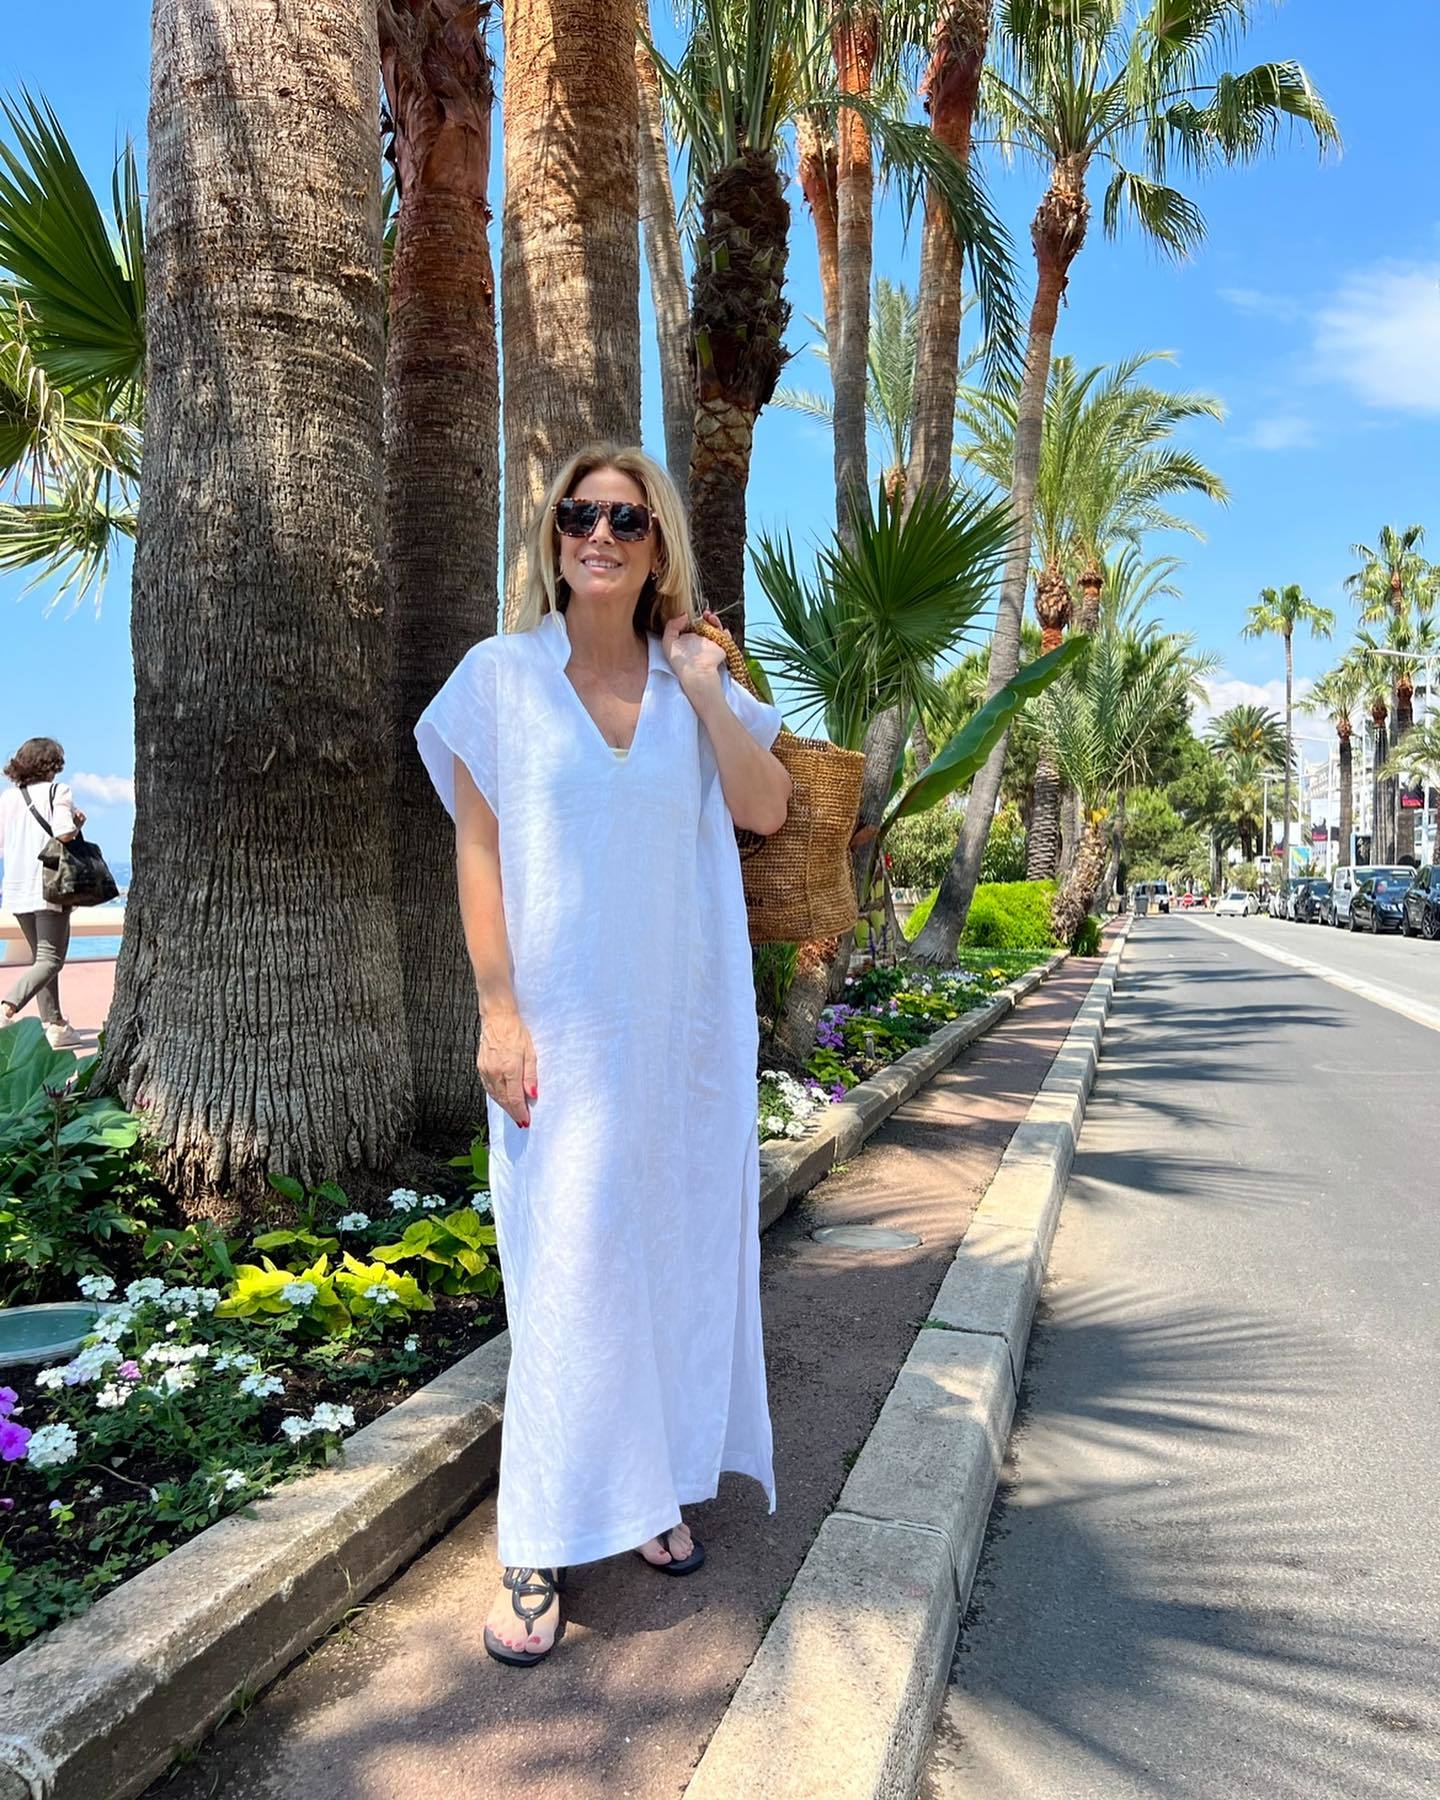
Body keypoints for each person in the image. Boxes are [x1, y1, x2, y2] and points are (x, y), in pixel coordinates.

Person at [414, 443, 792, 1667]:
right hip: (559, 1037)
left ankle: (650, 1491)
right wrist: (498, 1010)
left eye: (627, 520)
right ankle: (535, 1538)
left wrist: (702, 683)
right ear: (553, 535)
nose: (600, 534)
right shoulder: (500, 678)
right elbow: (479, 853)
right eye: (580, 514)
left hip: (681, 1036)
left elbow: (767, 807)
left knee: (672, 1257)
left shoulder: (693, 684)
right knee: (564, 1272)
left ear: (657, 544)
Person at [1, 737, 86, 1048]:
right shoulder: (58, 791)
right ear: (52, 765)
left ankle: (55, 1024)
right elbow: (63, 832)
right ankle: (6, 1007)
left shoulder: (9, 798)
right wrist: (76, 823)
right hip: (49, 884)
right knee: (51, 961)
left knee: (42, 958)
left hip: (15, 887)